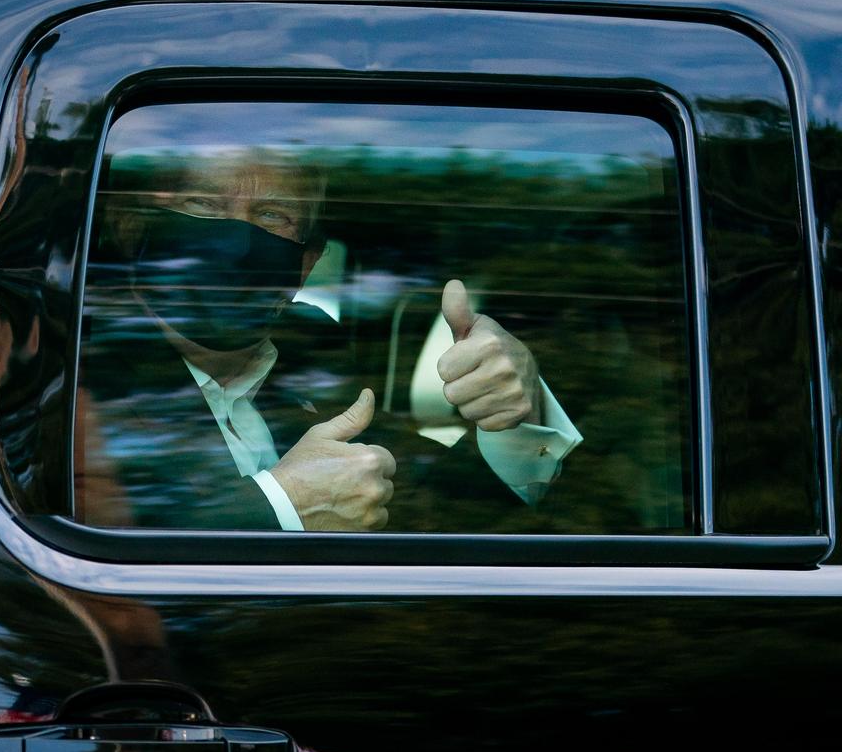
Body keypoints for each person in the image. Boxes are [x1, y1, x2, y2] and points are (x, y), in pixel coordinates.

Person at [74, 148, 581, 531]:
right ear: (130, 227)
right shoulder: (70, 367)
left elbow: (455, 515)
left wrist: (516, 416)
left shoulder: (325, 358)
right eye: (204, 204)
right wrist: (278, 510)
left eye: (273, 216)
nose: (235, 239)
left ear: (306, 263)